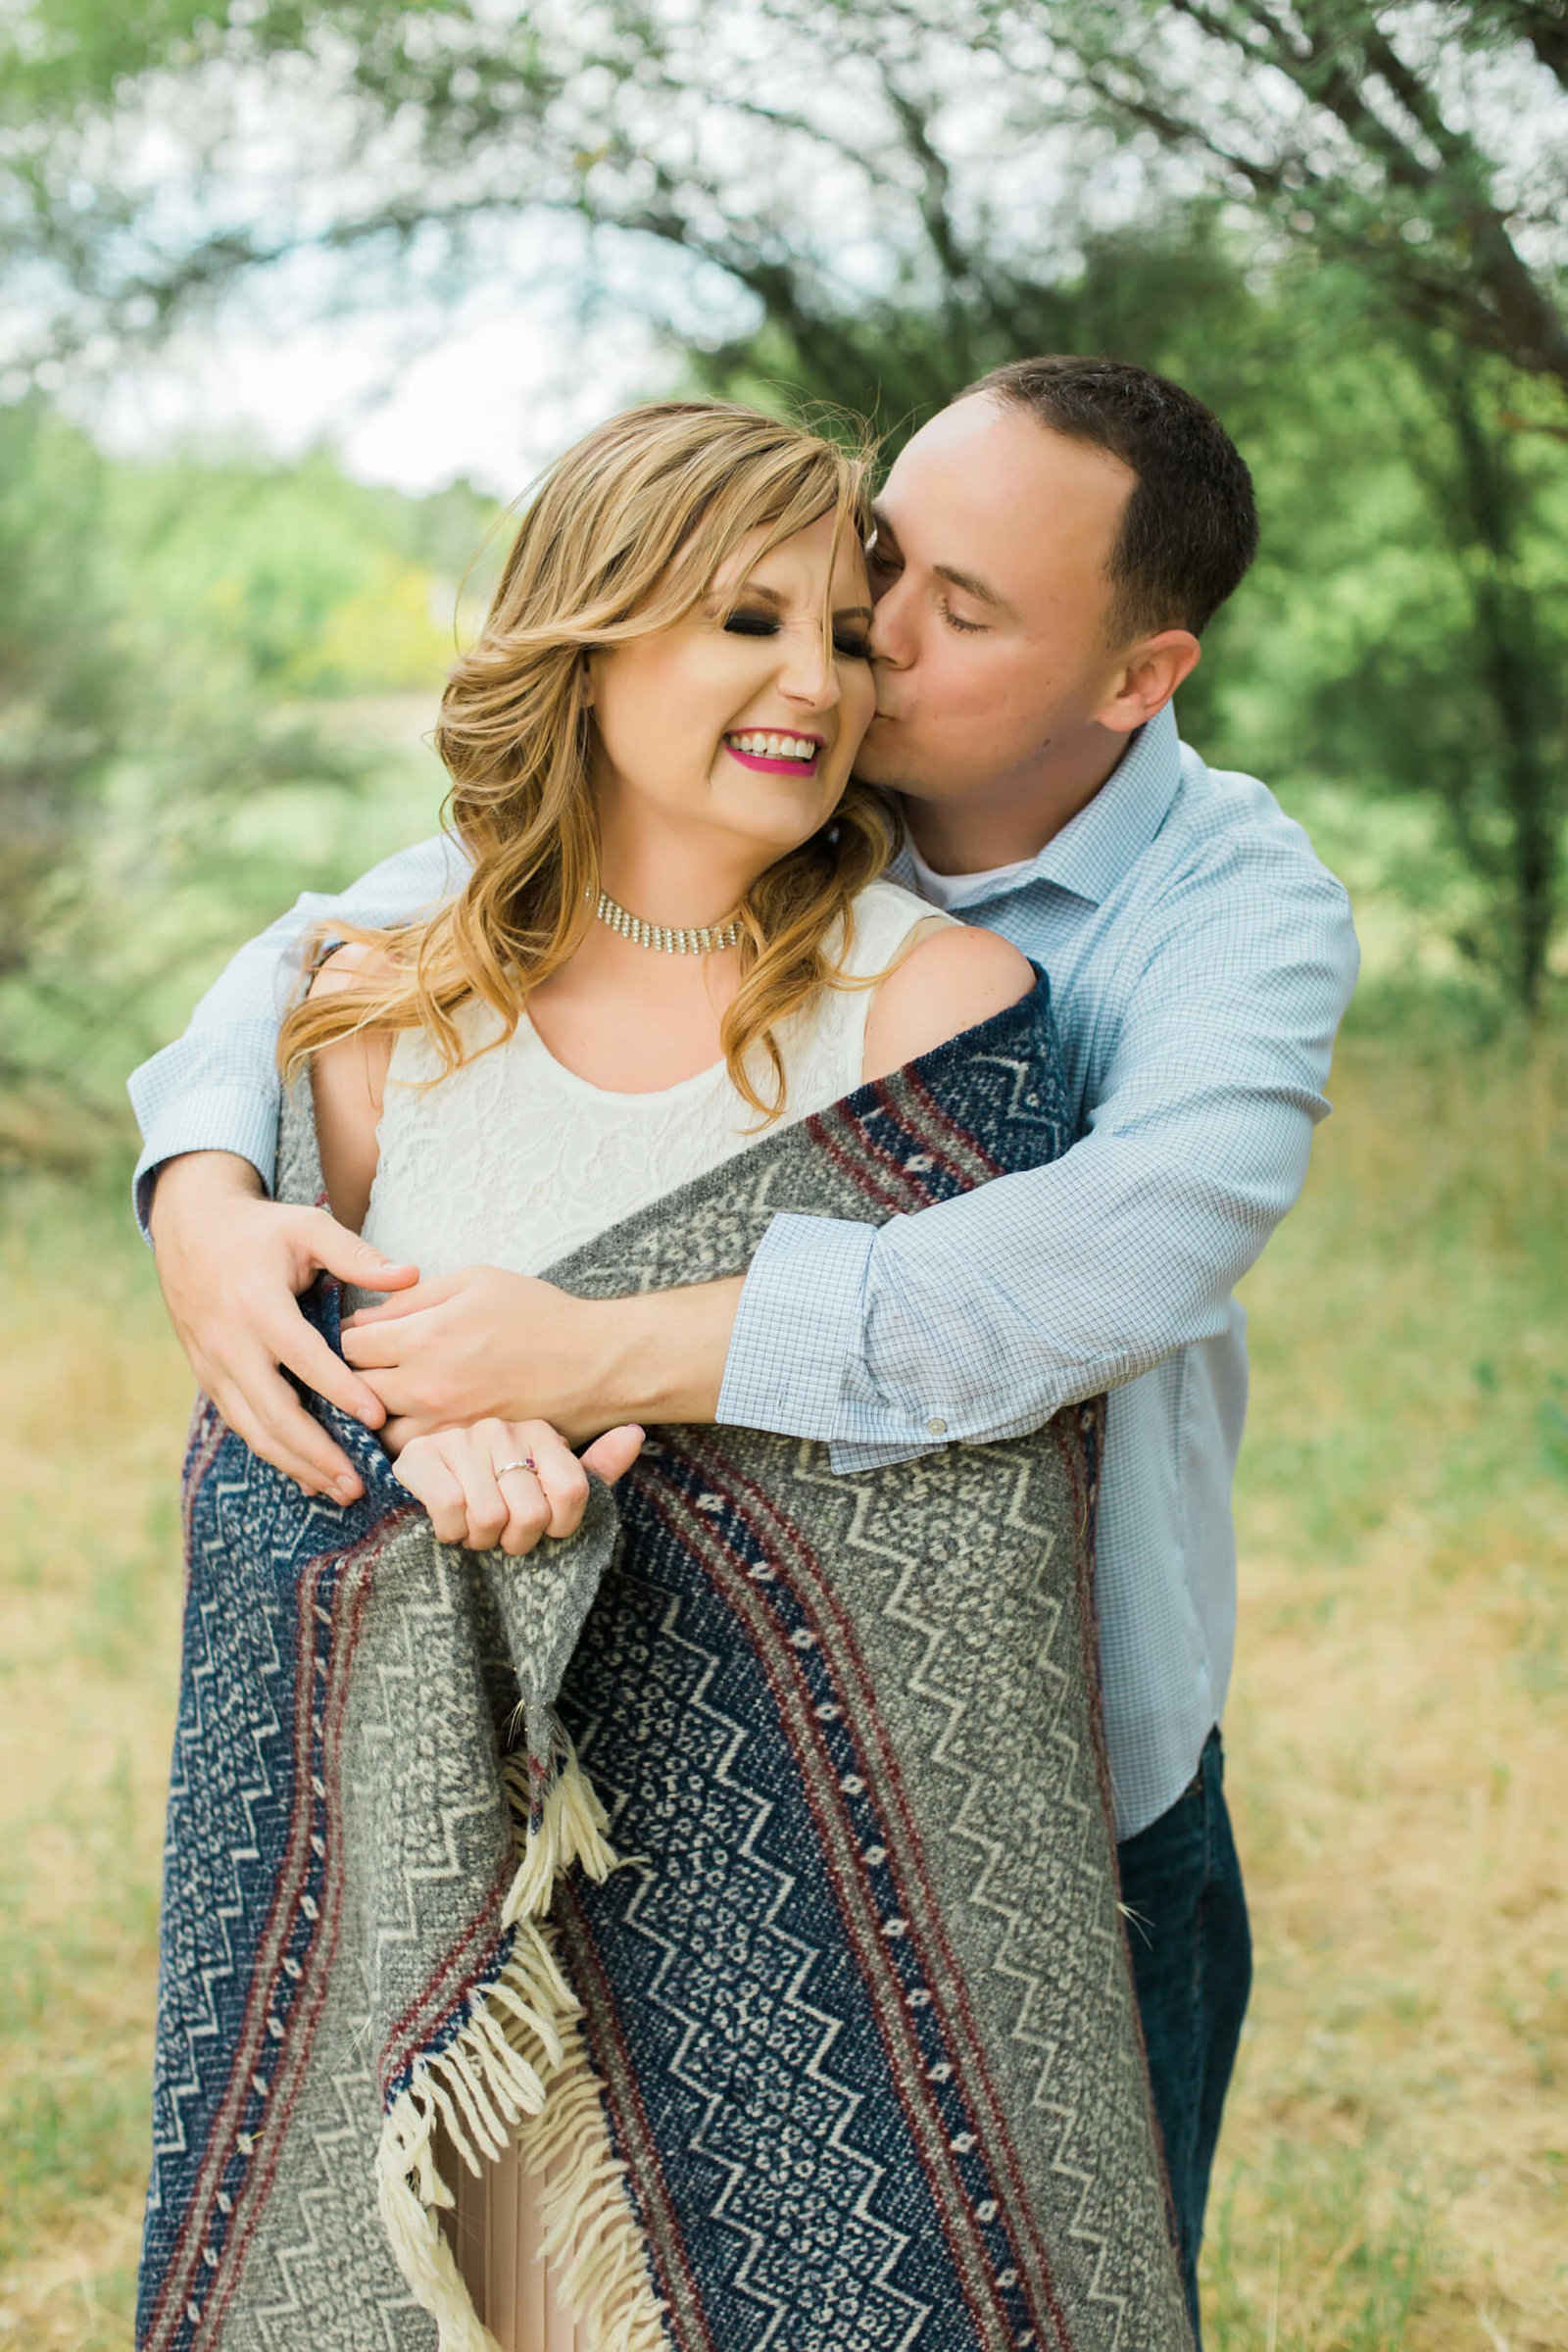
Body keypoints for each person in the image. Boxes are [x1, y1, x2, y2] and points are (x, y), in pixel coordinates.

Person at [130, 356, 1359, 2338]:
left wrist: (573, 1357)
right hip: (487, 1843)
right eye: (834, 584)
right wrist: (200, 1188)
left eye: (935, 618)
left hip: (1042, 1788)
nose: (850, 653)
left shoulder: (1121, 949)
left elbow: (1113, 1266)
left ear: (1133, 678)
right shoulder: (422, 967)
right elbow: (336, 995)